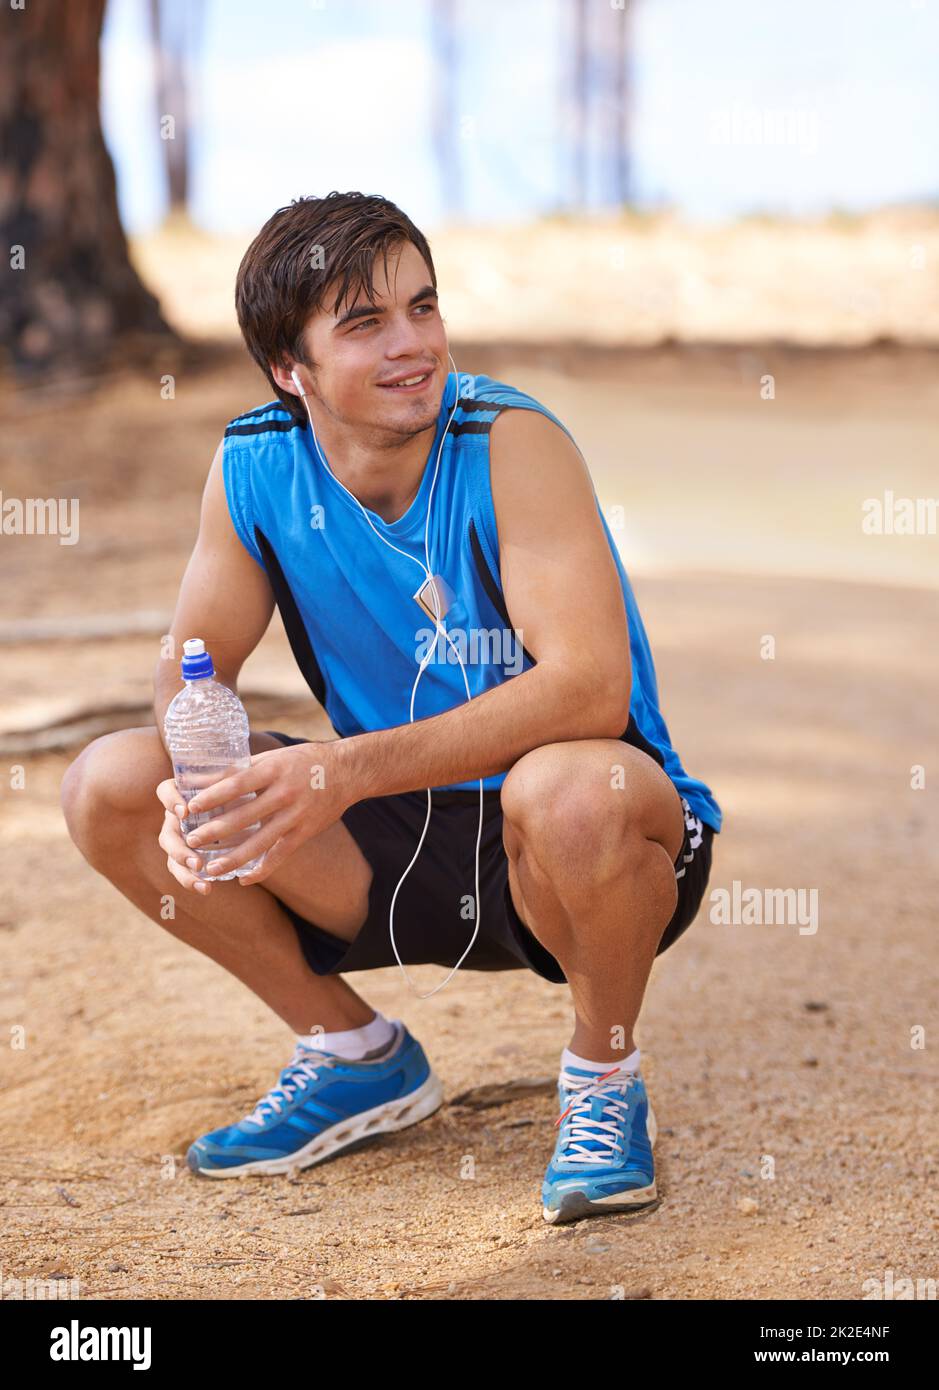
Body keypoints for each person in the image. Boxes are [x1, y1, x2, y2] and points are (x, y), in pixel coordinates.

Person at [61, 191, 722, 1225]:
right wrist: (202, 785)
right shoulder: (253, 465)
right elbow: (193, 664)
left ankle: (602, 1079)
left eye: (424, 306)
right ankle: (353, 1051)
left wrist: (342, 770)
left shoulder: (511, 440)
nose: (414, 344)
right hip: (391, 847)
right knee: (110, 784)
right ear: (292, 368)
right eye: (366, 323)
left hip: (579, 838)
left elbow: (591, 689)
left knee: (569, 789)